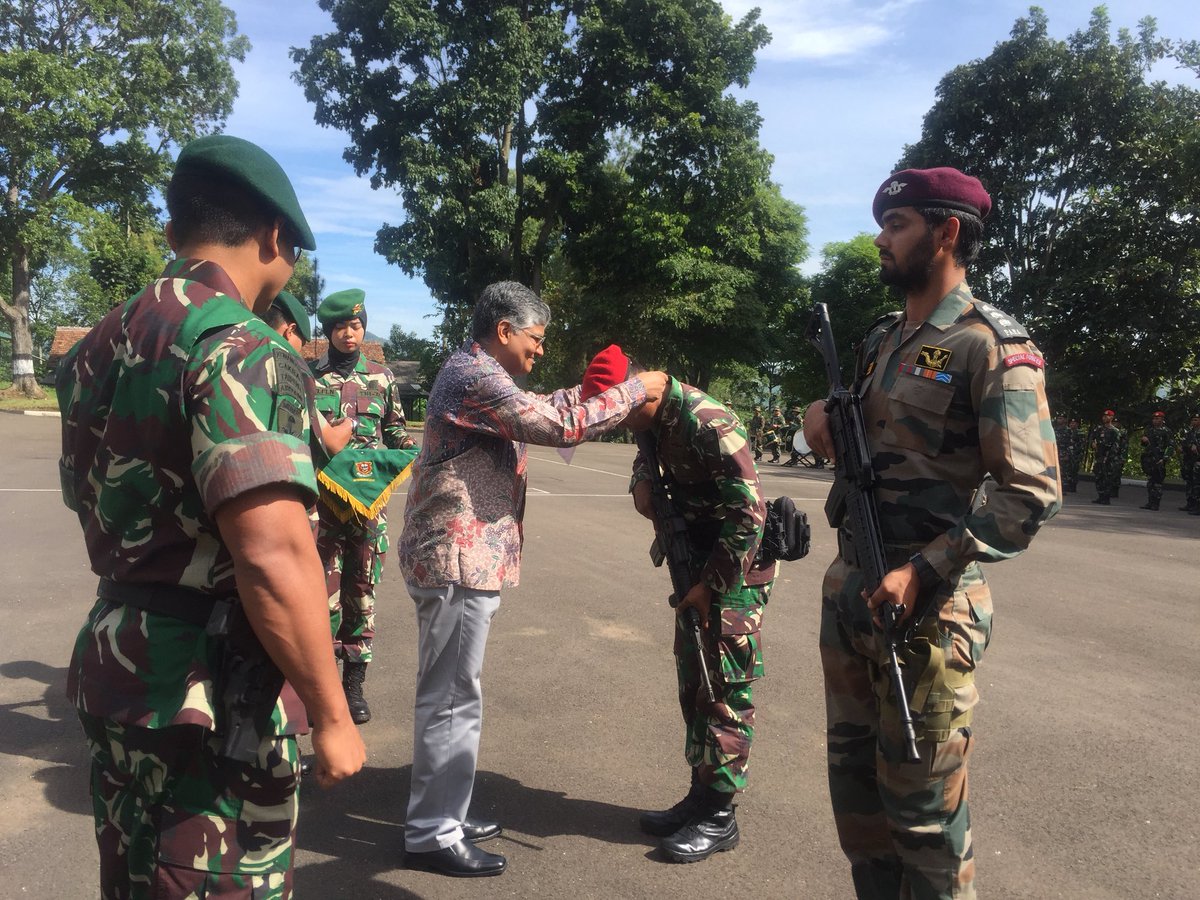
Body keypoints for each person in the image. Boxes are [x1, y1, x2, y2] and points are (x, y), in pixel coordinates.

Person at [56, 134, 366, 899]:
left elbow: (85, 495)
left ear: (172, 231)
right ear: (274, 236)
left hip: (118, 662)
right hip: (210, 692)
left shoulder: (99, 344)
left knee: (133, 878)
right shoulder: (241, 345)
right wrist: (332, 712)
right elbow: (271, 553)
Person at [804, 166, 1060, 899]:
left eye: (897, 225)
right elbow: (859, 438)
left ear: (946, 232)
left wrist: (924, 568)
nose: (880, 239)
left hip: (929, 613)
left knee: (925, 823)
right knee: (860, 810)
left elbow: (1031, 490)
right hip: (854, 591)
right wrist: (817, 420)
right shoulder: (883, 339)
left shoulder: (990, 347)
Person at [396, 281, 668, 877]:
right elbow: (555, 425)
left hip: (464, 559)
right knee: (450, 698)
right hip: (455, 561)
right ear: (503, 331)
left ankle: (446, 812)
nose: (540, 350)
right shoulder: (474, 376)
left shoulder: (480, 374)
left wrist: (589, 393)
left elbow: (544, 406)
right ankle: (432, 831)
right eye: (535, 339)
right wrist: (632, 390)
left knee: (456, 694)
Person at [581, 344, 774, 864]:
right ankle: (699, 796)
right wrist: (642, 481)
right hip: (695, 561)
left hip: (733, 568)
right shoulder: (649, 419)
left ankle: (720, 815)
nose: (614, 423)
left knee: (723, 689)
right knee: (694, 683)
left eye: (616, 413)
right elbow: (645, 459)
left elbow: (750, 513)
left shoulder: (708, 422)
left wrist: (710, 587)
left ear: (637, 394)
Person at [310, 289, 417, 724]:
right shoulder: (309, 377)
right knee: (319, 595)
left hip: (369, 506)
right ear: (328, 332)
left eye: (355, 326)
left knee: (361, 590)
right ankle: (320, 689)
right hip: (323, 505)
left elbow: (395, 429)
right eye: (340, 327)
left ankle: (353, 687)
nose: (348, 334)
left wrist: (411, 452)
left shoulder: (382, 377)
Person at [1139, 411, 1173, 511]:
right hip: (1149, 458)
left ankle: (1155, 503)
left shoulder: (1166, 431)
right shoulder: (1149, 430)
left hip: (1159, 458)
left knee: (1157, 482)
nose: (1155, 420)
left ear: (1162, 419)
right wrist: (1143, 440)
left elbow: (1170, 446)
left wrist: (1165, 458)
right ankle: (1150, 502)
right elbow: (1144, 445)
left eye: (1157, 419)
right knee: (1150, 482)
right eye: (1154, 419)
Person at [1091, 410, 1121, 505]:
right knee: (1098, 477)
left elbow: (1116, 446)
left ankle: (1106, 498)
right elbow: (1093, 439)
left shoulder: (1115, 431)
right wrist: (1093, 444)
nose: (1104, 418)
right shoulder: (1099, 429)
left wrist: (1108, 457)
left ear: (1111, 418)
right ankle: (1100, 496)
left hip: (1109, 458)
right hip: (1099, 456)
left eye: (1107, 416)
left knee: (1107, 478)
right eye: (1104, 416)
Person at [1180, 413, 1200, 512]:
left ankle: (1197, 505)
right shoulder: (1189, 433)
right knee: (1189, 482)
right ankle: (1190, 503)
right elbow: (1184, 443)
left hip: (1198, 461)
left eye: (1196, 420)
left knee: (1197, 483)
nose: (1194, 422)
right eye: (1192, 420)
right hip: (1189, 460)